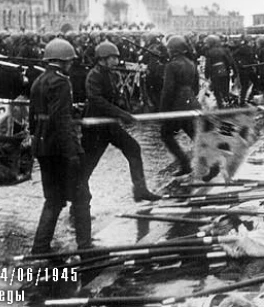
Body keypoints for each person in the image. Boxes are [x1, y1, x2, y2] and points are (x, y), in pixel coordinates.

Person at [28, 38, 91, 254]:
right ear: (63, 61)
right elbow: (61, 120)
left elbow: (33, 117)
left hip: (43, 146)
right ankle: (85, 246)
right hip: (61, 149)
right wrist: (73, 153)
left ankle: (40, 247)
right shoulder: (62, 82)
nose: (71, 64)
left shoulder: (39, 80)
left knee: (53, 199)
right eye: (70, 61)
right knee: (82, 197)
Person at [81, 41, 161, 202]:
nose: (116, 62)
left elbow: (114, 97)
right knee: (87, 166)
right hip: (96, 126)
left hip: (110, 124)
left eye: (116, 58)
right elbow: (97, 100)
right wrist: (122, 113)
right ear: (102, 59)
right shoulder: (94, 75)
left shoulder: (110, 74)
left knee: (133, 149)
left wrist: (126, 109)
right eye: (112, 58)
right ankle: (78, 204)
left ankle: (140, 189)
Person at [160, 35, 200, 177]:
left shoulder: (171, 66)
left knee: (165, 135)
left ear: (172, 50)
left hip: (177, 105)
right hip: (191, 102)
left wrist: (163, 111)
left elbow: (168, 90)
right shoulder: (191, 63)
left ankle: (184, 163)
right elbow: (196, 87)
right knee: (194, 134)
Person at [204, 35, 238, 108]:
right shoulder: (225, 50)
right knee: (225, 90)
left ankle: (221, 106)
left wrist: (207, 75)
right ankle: (228, 104)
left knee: (217, 92)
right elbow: (231, 61)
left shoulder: (209, 52)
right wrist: (235, 72)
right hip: (225, 72)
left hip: (215, 74)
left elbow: (208, 65)